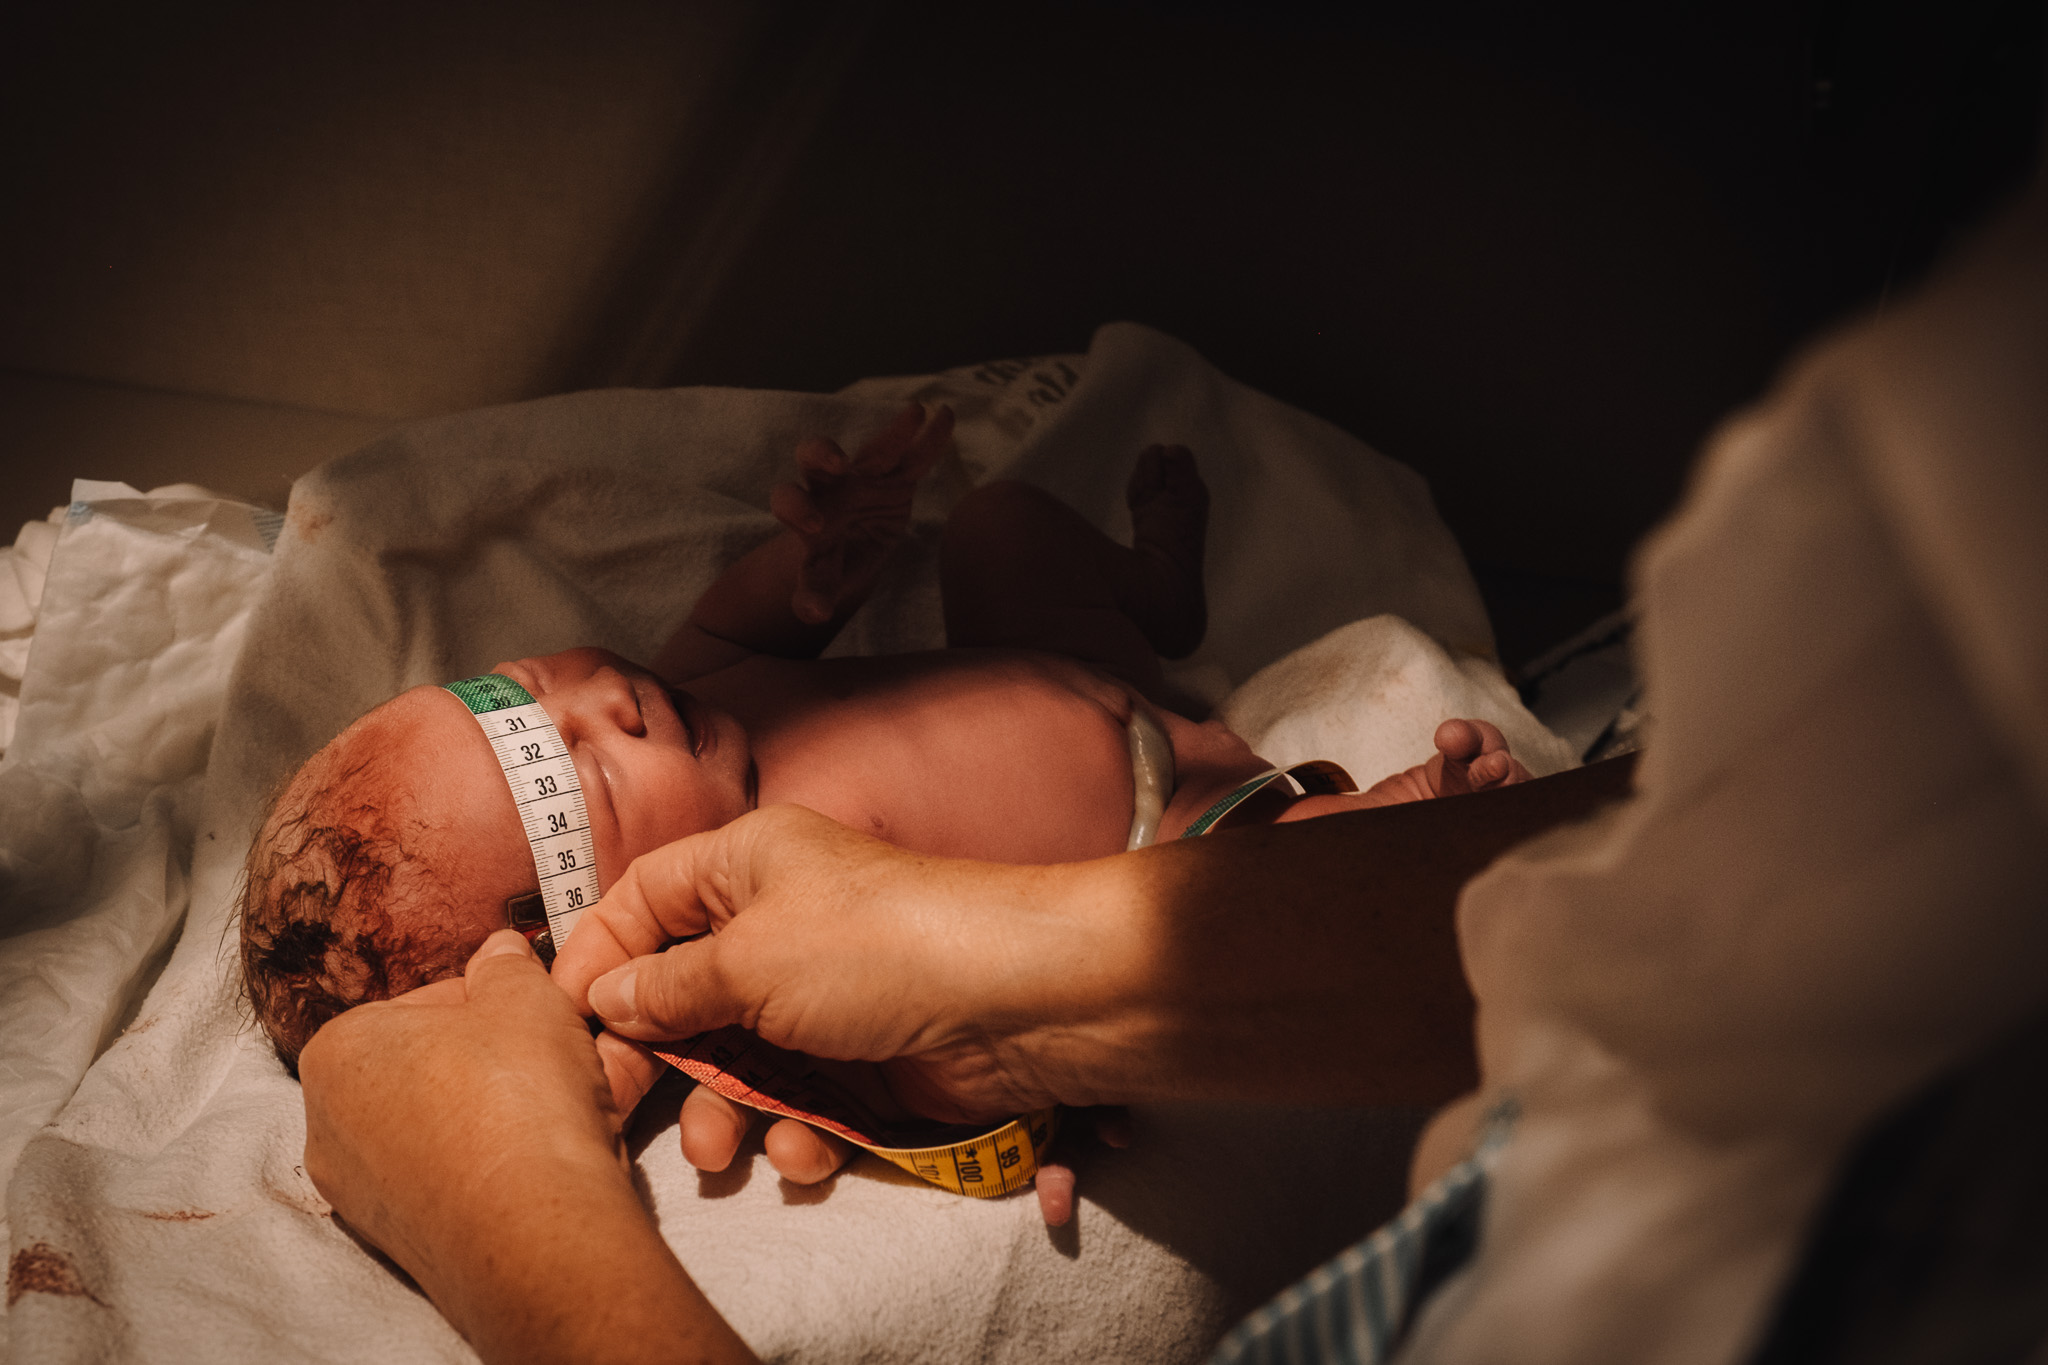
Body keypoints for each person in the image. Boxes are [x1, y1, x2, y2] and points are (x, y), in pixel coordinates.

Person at [243, 399, 1536, 1202]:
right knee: (1280, 883)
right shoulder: (755, 950)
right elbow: (923, 1067)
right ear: (613, 930)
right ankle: (1414, 813)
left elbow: (740, 611)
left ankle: (1157, 590)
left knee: (998, 530)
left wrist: (817, 567)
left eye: (529, 683)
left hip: (1070, 657)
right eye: (579, 775)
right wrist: (996, 1117)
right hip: (1179, 832)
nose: (609, 698)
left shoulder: (697, 689)